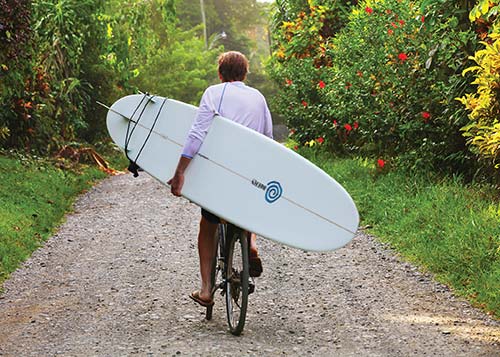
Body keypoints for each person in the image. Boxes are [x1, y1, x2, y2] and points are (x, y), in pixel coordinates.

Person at [167, 51, 273, 307]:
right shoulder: (258, 97)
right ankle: (250, 242)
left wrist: (180, 171)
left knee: (208, 224)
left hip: (222, 173)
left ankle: (205, 290)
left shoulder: (215, 93)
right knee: (247, 209)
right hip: (250, 173)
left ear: (220, 74)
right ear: (245, 74)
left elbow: (197, 134)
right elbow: (269, 138)